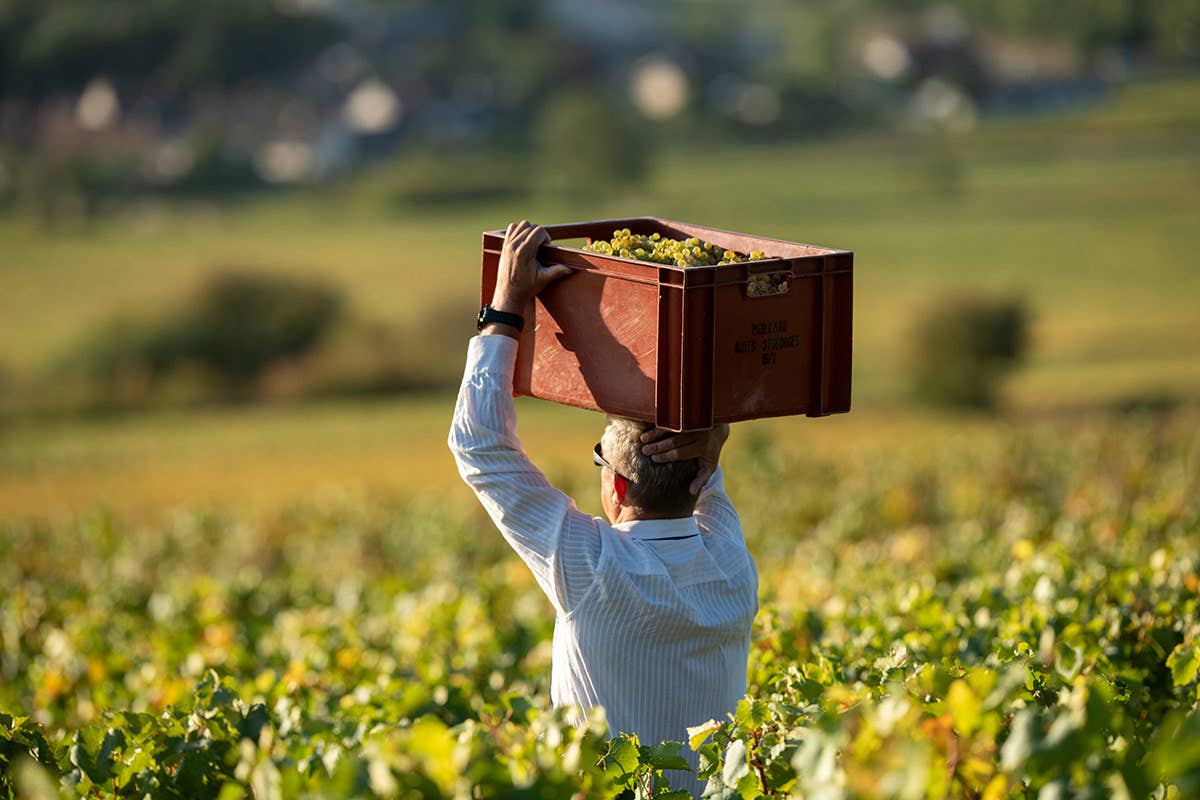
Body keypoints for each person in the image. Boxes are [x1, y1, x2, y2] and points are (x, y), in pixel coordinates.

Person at [448, 220, 758, 796]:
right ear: (700, 479)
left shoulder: (590, 566)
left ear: (615, 488)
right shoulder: (732, 567)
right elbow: (703, 474)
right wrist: (716, 435)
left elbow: (478, 445)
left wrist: (505, 307)